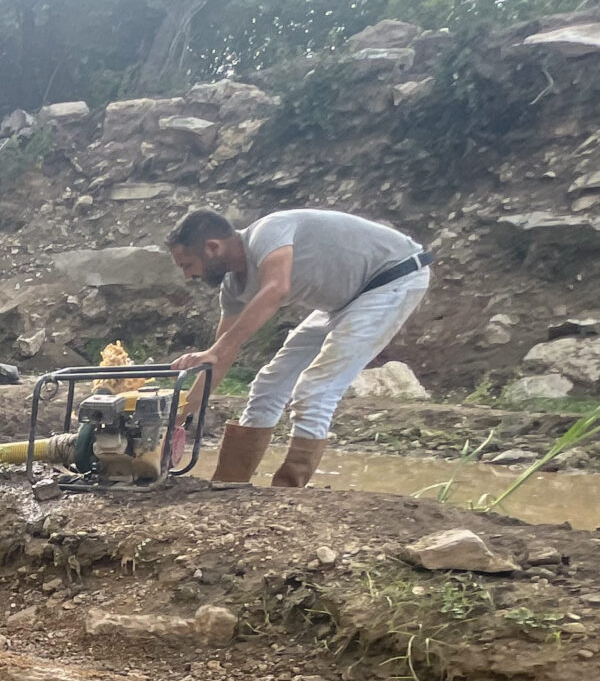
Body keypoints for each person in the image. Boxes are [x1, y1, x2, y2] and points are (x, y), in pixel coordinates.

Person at [167, 206, 432, 488]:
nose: (188, 275)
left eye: (188, 265)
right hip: (342, 302)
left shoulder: (267, 232)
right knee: (267, 385)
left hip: (394, 278)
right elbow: (219, 357)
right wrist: (179, 417)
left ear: (212, 248)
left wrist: (218, 349)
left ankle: (288, 492)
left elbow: (276, 289)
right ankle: (228, 485)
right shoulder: (233, 288)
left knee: (315, 390)